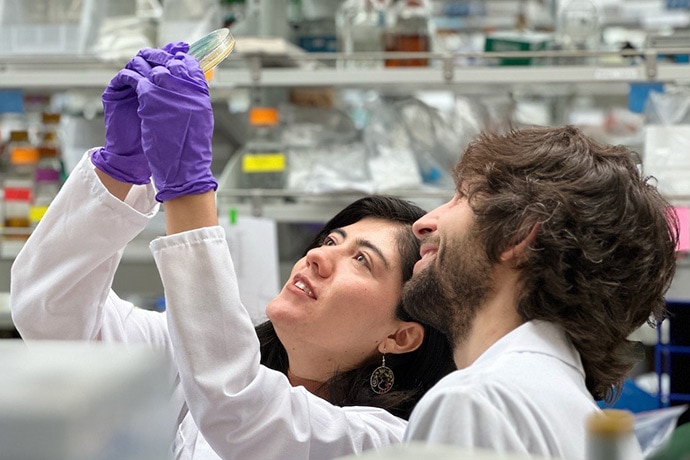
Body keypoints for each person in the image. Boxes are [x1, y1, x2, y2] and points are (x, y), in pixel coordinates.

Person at [9, 43, 455, 459]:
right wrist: (122, 166)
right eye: (330, 241)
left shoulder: (382, 441)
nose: (318, 257)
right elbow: (51, 314)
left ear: (400, 337)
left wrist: (189, 187)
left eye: (361, 260)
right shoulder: (195, 361)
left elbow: (239, 409)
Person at [398, 125, 679, 459]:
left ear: (515, 235)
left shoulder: (476, 401)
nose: (424, 222)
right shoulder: (582, 417)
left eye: (461, 196)